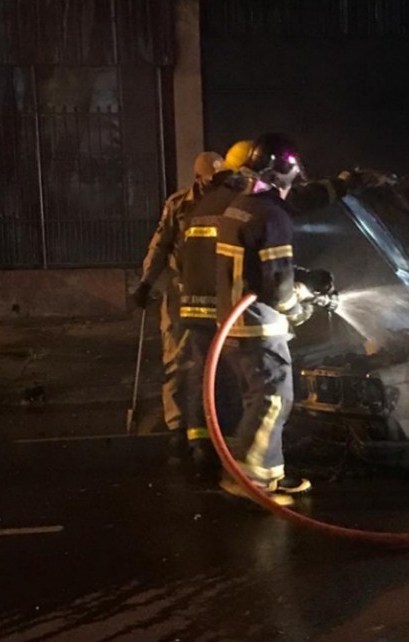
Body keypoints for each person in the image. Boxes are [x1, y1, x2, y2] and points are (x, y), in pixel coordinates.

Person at [214, 133, 316, 506]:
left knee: (257, 400)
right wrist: (298, 308)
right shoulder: (272, 216)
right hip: (259, 326)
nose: (293, 182)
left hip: (235, 323)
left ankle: (266, 473)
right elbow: (277, 283)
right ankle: (250, 481)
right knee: (273, 399)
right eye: (290, 173)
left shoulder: (239, 207)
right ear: (280, 171)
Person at [133, 151, 223, 454]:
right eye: (209, 181)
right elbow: (160, 245)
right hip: (179, 291)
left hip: (215, 292)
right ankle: (176, 423)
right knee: (175, 356)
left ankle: (212, 423)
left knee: (212, 359)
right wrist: (146, 282)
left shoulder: (229, 201)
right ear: (198, 179)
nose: (213, 186)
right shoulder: (178, 205)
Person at [176, 141, 253, 465]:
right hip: (223, 304)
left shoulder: (202, 204)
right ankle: (239, 444)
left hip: (193, 303)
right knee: (239, 374)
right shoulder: (238, 205)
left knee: (202, 373)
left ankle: (200, 441)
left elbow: (182, 255)